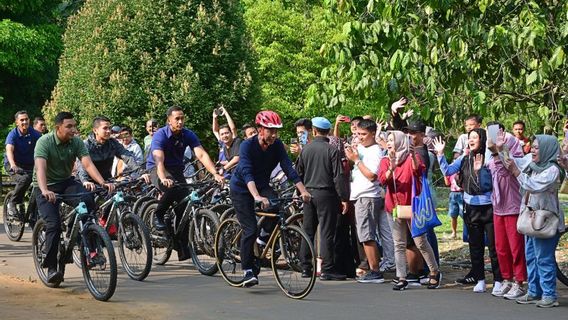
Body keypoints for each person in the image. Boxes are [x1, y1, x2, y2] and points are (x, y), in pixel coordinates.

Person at [230, 110, 311, 287]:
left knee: (276, 208)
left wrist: (303, 190)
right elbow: (246, 172)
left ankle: (261, 241)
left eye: (276, 131)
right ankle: (248, 270)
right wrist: (256, 196)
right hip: (242, 188)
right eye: (270, 130)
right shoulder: (247, 146)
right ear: (259, 129)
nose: (274, 135)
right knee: (249, 229)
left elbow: (289, 169)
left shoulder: (277, 145)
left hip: (262, 185)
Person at [34, 112, 114, 284]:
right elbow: (40, 169)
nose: (73, 129)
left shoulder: (76, 142)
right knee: (53, 225)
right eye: (68, 126)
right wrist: (45, 190)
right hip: (45, 186)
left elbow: (87, 163)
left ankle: (92, 250)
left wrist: (102, 182)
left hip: (66, 182)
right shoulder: (44, 142)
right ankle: (51, 267)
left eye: (74, 126)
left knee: (88, 201)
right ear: (58, 128)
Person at [147, 106, 224, 261]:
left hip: (176, 171)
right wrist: (162, 178)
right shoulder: (160, 135)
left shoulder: (188, 134)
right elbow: (159, 160)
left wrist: (215, 174)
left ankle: (182, 246)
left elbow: (201, 154)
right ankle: (158, 215)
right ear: (169, 120)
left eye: (182, 118)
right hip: (157, 169)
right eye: (177, 118)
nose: (180, 121)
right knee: (171, 188)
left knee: (184, 209)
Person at [434, 129, 503, 293]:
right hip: (471, 208)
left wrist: (481, 171)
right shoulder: (465, 159)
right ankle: (479, 279)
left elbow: (493, 182)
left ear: (482, 139)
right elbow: (447, 171)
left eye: (475, 137)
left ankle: (499, 280)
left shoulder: (489, 158)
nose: (471, 140)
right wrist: (440, 154)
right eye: (469, 138)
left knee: (494, 247)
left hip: (489, 207)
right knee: (475, 246)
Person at [503, 135, 564, 308]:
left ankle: (549, 295)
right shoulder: (533, 164)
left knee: (543, 258)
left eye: (537, 148)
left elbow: (533, 185)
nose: (533, 151)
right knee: (531, 256)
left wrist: (516, 172)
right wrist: (500, 147)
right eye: (533, 147)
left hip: (545, 220)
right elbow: (512, 162)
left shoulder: (553, 169)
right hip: (530, 218)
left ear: (546, 149)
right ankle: (534, 291)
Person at [379, 130, 441, 291]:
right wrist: (391, 168)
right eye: (389, 140)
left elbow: (418, 172)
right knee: (398, 243)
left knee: (420, 241)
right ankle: (401, 277)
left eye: (393, 139)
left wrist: (413, 156)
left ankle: (434, 272)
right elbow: (382, 181)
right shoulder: (385, 160)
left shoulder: (412, 157)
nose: (390, 142)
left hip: (412, 206)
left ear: (401, 141)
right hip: (393, 207)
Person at [296, 117, 349, 281]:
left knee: (308, 230)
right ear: (328, 131)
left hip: (309, 193)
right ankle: (327, 269)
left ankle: (305, 267)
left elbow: (298, 172)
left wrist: (301, 192)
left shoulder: (305, 150)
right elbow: (338, 176)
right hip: (327, 194)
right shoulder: (331, 150)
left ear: (313, 130)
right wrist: (344, 197)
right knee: (327, 231)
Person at [345, 119, 390, 283]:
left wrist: (357, 160)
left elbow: (372, 176)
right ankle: (374, 269)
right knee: (365, 234)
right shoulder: (362, 148)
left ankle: (375, 271)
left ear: (373, 134)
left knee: (367, 235)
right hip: (360, 195)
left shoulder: (375, 151)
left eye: (364, 134)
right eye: (358, 134)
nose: (360, 137)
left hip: (368, 196)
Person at [78, 117, 140, 235]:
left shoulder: (113, 143)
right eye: (105, 128)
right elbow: (83, 165)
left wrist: (141, 171)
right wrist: (85, 180)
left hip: (106, 180)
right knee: (87, 206)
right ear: (95, 130)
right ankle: (78, 230)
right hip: (88, 180)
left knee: (116, 195)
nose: (108, 131)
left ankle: (105, 220)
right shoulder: (86, 145)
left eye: (110, 128)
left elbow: (127, 156)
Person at [486, 128, 527, 299]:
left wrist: (501, 150)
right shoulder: (492, 159)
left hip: (513, 208)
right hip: (498, 208)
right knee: (501, 248)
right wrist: (495, 151)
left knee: (516, 248)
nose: (492, 142)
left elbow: (508, 167)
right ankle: (507, 279)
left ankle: (520, 282)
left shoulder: (517, 160)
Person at [4, 110, 41, 218]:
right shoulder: (13, 135)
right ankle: (12, 202)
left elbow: (44, 146)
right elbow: (9, 150)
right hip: (14, 165)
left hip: (29, 165)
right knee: (24, 179)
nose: (25, 122)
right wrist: (13, 165)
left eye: (26, 119)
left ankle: (33, 211)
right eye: (22, 120)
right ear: (17, 122)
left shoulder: (35, 134)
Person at [212, 106, 242, 177]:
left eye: (226, 133)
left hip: (236, 174)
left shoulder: (236, 142)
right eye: (222, 134)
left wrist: (225, 113)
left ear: (231, 133)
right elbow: (215, 131)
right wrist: (214, 117)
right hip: (224, 175)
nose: (224, 136)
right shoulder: (222, 143)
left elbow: (233, 128)